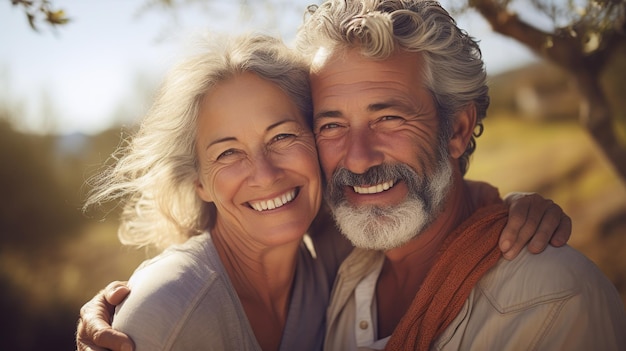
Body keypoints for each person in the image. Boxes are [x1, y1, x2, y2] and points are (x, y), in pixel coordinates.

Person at [75, 5, 574, 351]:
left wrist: (517, 207)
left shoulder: (338, 252)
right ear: (199, 181)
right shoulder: (165, 313)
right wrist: (146, 313)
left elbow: (439, 210)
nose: (266, 174)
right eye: (228, 153)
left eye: (283, 136)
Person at [292, 0, 626, 350]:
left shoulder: (555, 302)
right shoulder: (332, 267)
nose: (358, 160)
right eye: (331, 125)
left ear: (457, 129)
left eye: (389, 118)